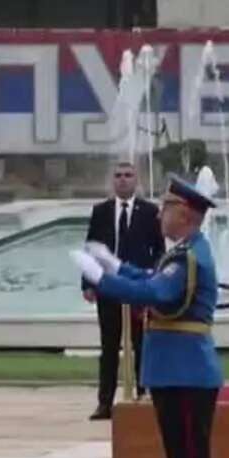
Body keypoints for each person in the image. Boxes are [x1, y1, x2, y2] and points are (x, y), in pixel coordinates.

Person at [74, 177, 222, 458]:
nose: (160, 213)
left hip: (186, 372)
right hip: (178, 371)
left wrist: (103, 278)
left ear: (186, 214)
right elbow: (151, 281)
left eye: (167, 206)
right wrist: (117, 265)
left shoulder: (189, 256)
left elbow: (156, 294)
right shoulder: (183, 253)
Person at [83, 161, 161, 419]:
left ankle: (142, 394)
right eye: (118, 176)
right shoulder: (101, 211)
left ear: (136, 180)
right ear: (112, 181)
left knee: (141, 344)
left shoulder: (150, 212)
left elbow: (159, 250)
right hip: (109, 288)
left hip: (138, 289)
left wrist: (153, 280)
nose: (123, 180)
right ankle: (105, 402)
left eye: (128, 175)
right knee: (109, 347)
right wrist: (89, 283)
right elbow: (91, 248)